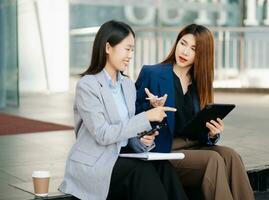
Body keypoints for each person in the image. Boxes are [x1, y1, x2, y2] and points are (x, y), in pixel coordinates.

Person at [59, 20, 188, 200]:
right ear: (108, 47)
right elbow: (103, 134)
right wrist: (146, 117)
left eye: (132, 50)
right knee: (141, 171)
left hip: (123, 156)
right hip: (96, 162)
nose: (130, 55)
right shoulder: (87, 86)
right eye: (127, 49)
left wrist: (143, 140)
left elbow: (128, 135)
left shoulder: (127, 85)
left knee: (164, 167)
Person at [135, 24, 254, 200]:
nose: (185, 52)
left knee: (231, 155)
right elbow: (133, 117)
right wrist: (152, 108)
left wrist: (213, 134)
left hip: (194, 144)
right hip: (165, 148)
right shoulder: (152, 73)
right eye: (183, 43)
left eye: (194, 49)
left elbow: (201, 128)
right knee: (213, 160)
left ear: (203, 54)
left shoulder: (201, 82)